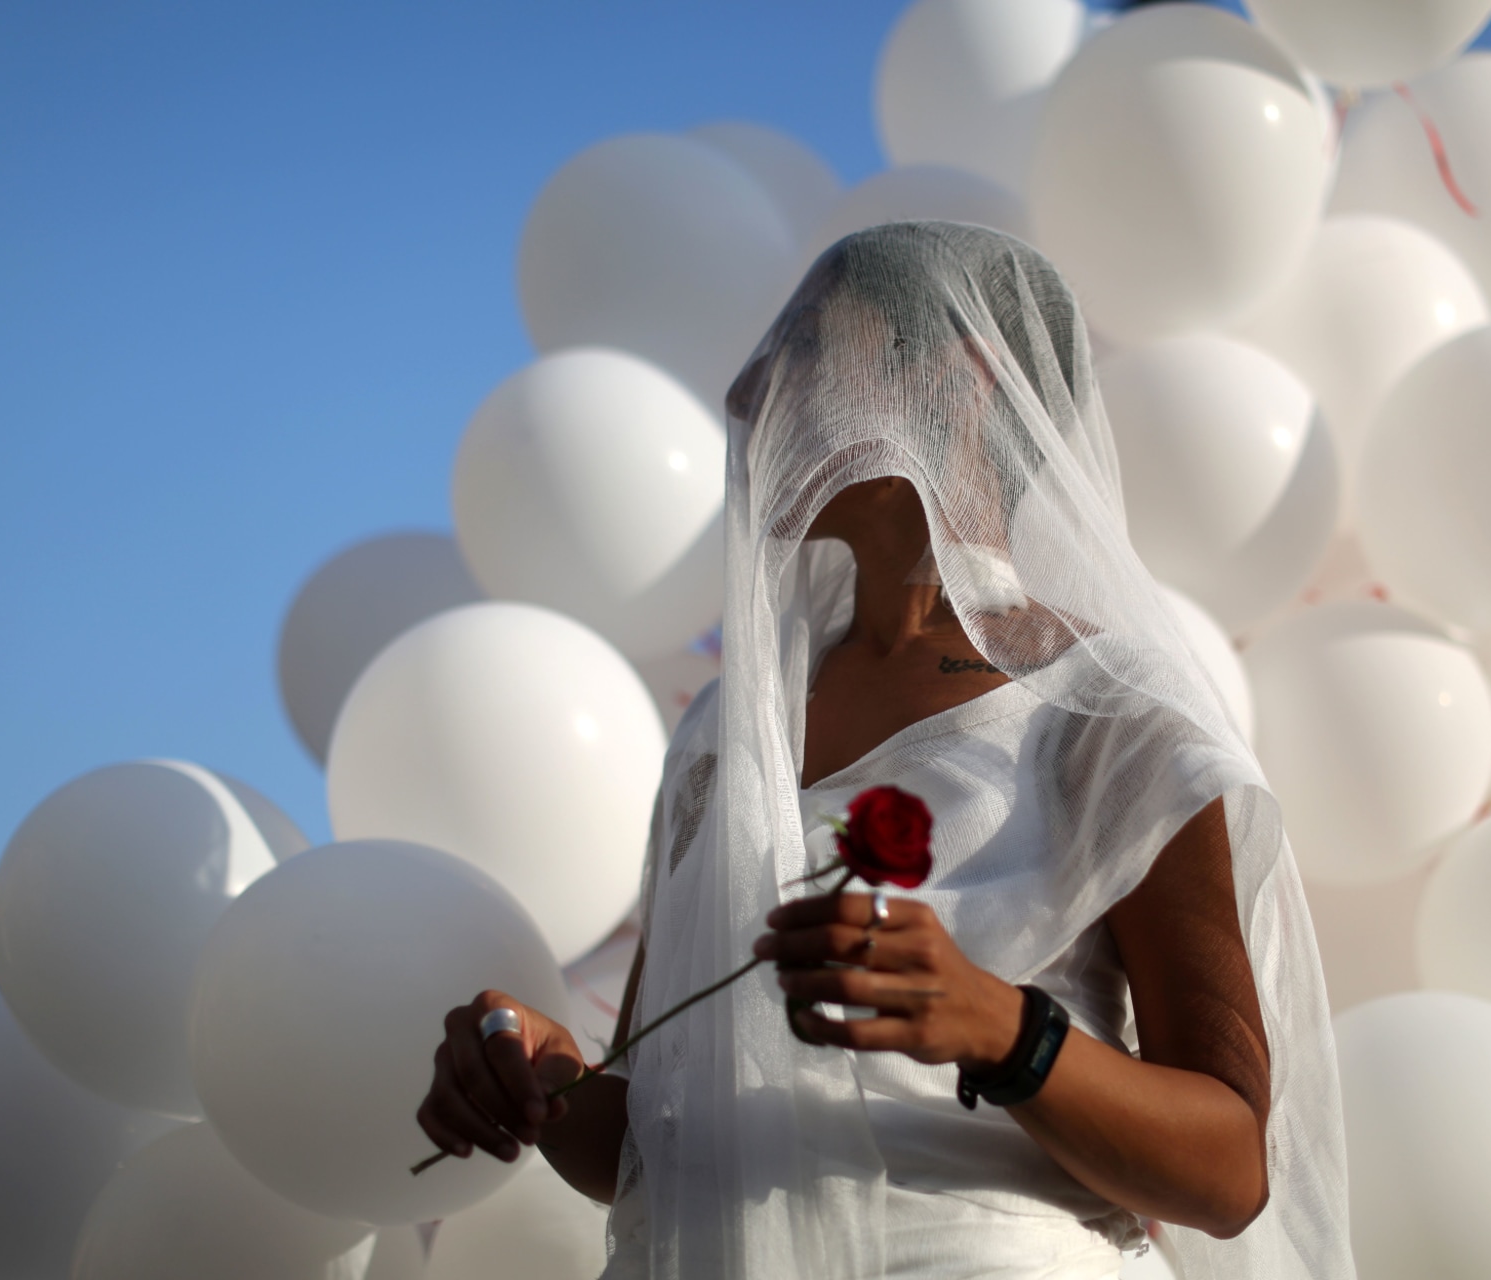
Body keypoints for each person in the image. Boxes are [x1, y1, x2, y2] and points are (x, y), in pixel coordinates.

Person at [417, 222, 1353, 1280]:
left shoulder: (1106, 712)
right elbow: (646, 1147)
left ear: (958, 382)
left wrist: (1005, 1031)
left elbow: (1228, 1170)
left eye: (808, 347)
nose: (748, 392)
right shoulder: (726, 731)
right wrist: (545, 1073)